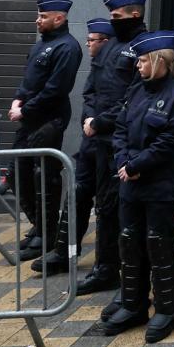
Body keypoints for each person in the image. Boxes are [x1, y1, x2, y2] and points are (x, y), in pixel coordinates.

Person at [97, 31, 174, 343]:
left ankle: (166, 308)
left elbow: (170, 141)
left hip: (159, 183)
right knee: (129, 241)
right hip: (131, 182)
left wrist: (137, 165)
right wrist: (124, 162)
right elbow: (121, 129)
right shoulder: (137, 90)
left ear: (159, 62)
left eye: (142, 61)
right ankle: (133, 304)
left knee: (159, 242)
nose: (137, 66)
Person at [80, 0, 149, 300]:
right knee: (105, 208)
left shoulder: (143, 47)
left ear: (135, 14)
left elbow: (133, 95)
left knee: (129, 211)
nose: (113, 20)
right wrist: (90, 120)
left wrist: (100, 122)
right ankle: (105, 268)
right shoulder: (109, 47)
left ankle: (133, 270)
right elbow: (92, 89)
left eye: (117, 16)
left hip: (124, 141)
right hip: (100, 141)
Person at [32, 18, 112, 275]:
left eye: (92, 41)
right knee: (77, 193)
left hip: (110, 141)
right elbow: (88, 95)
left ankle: (106, 264)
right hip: (91, 140)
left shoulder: (120, 63)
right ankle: (64, 251)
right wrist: (89, 119)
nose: (88, 45)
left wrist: (99, 122)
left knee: (107, 205)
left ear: (105, 42)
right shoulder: (98, 66)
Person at [11, 0, 82, 263]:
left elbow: (56, 90)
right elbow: (29, 79)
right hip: (30, 119)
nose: (37, 21)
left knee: (44, 178)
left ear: (59, 18)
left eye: (42, 17)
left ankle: (47, 233)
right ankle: (39, 226)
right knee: (19, 173)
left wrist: (25, 109)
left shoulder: (67, 48)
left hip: (48, 120)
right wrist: (19, 99)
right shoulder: (43, 45)